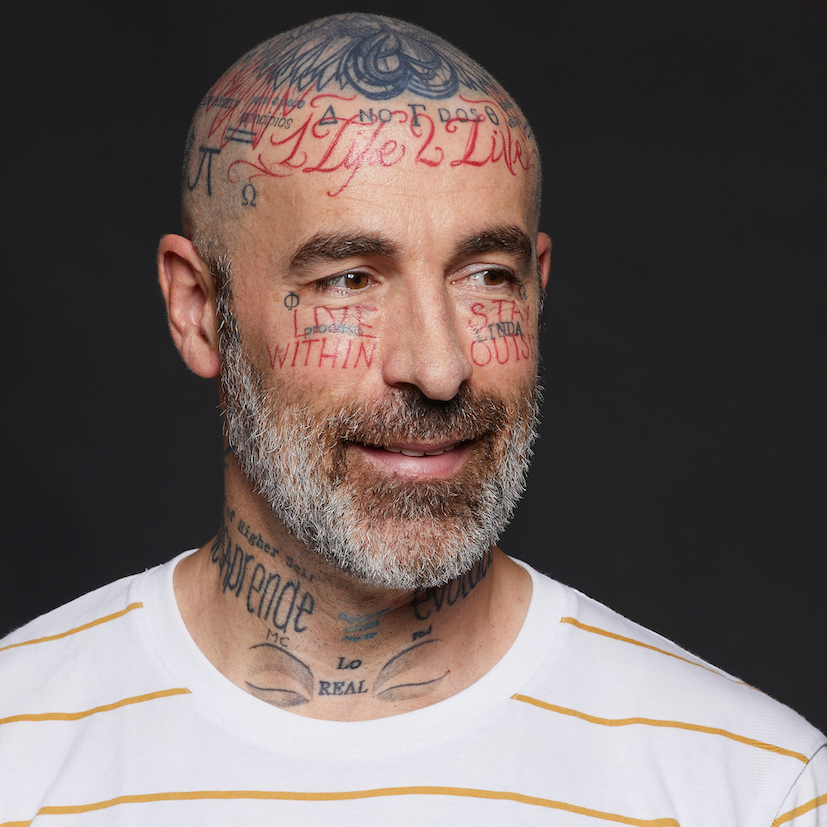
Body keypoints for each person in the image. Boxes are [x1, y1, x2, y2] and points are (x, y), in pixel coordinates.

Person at [0, 13, 823, 825]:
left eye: (486, 274)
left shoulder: (758, 788)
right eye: (348, 280)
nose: (438, 367)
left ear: (537, 288)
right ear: (197, 309)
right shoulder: (17, 748)